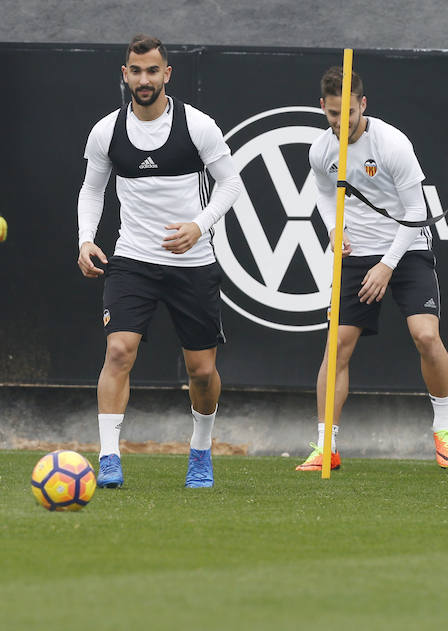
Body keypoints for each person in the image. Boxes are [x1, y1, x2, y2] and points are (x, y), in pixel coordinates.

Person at [76, 34, 243, 488]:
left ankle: (201, 452)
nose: (144, 79)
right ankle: (109, 457)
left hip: (193, 264)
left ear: (166, 74)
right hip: (133, 261)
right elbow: (93, 189)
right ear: (124, 74)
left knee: (202, 371)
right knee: (118, 350)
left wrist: (199, 225)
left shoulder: (198, 126)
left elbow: (230, 184)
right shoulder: (106, 131)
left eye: (153, 71)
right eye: (136, 70)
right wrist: (86, 239)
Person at [295, 66, 448, 472]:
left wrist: (387, 266)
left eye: (348, 113)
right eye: (333, 114)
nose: (341, 122)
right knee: (336, 348)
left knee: (425, 335)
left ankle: (444, 430)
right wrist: (335, 228)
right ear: (323, 108)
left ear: (362, 105)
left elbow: (416, 211)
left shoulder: (391, 144)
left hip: (406, 245)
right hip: (358, 255)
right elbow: (321, 193)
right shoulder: (320, 150)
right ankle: (325, 446)